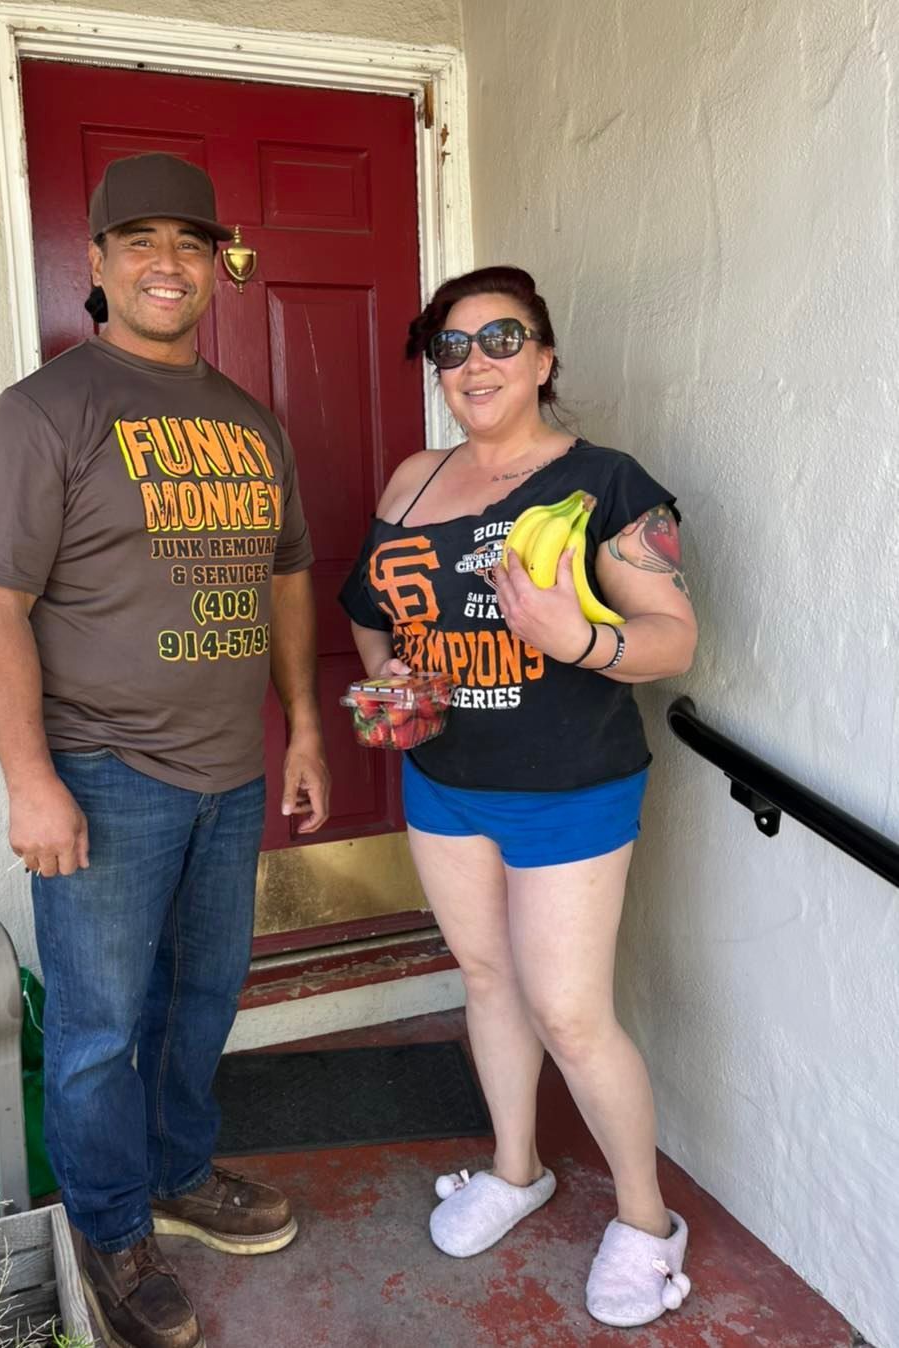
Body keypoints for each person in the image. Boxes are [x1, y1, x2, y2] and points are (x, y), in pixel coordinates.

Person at [0, 153, 330, 1348]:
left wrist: (306, 724)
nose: (170, 263)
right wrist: (30, 779)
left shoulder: (248, 419)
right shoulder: (48, 409)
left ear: (216, 266)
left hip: (231, 770)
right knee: (103, 1022)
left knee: (202, 997)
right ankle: (109, 1228)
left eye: (192, 243)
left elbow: (285, 576)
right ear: (98, 264)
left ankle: (176, 1170)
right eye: (142, 241)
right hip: (104, 773)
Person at [339, 265, 698, 1329]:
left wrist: (575, 638)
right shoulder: (411, 480)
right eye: (451, 348)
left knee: (572, 1013)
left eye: (502, 339)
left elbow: (674, 638)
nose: (476, 362)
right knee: (486, 976)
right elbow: (370, 602)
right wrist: (393, 673)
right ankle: (515, 1167)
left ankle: (645, 1223)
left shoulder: (605, 483)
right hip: (444, 781)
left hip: (569, 784)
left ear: (543, 358)